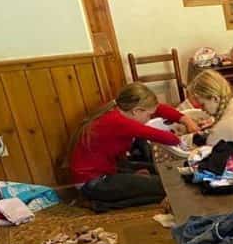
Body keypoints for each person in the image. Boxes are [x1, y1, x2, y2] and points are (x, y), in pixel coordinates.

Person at [70, 82, 201, 211]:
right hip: (93, 182)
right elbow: (164, 137)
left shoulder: (120, 110)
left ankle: (121, 186)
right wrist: (189, 139)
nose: (150, 117)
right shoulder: (118, 121)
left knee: (164, 172)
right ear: (136, 111)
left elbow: (159, 109)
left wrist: (185, 119)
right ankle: (99, 203)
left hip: (109, 170)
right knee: (168, 186)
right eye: (149, 115)